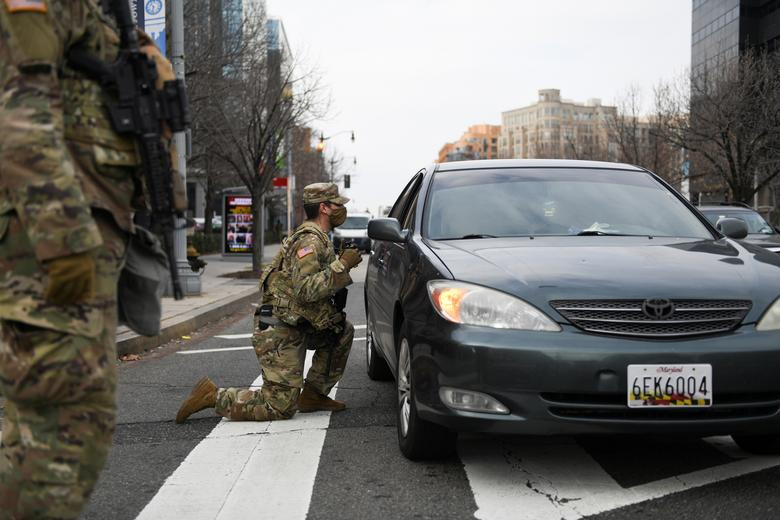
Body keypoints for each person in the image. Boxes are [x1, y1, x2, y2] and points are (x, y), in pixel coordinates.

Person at [0, 2, 181, 518]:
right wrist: (65, 242)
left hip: (80, 239)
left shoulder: (105, 18)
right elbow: (18, 111)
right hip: (48, 249)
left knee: (47, 430)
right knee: (65, 432)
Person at [176, 183, 363, 423]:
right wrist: (343, 265)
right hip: (279, 327)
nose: (341, 209)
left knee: (340, 331)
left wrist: (340, 264)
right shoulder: (309, 241)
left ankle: (313, 395)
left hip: (298, 322)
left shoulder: (318, 237)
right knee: (279, 407)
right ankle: (213, 396)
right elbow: (306, 290)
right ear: (324, 208)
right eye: (337, 204)